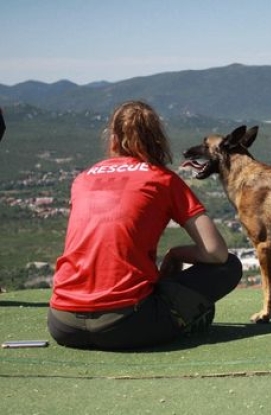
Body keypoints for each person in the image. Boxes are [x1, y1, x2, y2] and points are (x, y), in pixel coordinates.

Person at [47, 100, 243, 350]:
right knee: (229, 266)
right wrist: (174, 255)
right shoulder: (162, 179)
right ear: (158, 137)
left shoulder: (83, 179)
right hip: (128, 325)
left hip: (63, 325)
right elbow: (216, 252)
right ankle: (183, 319)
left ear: (113, 138)